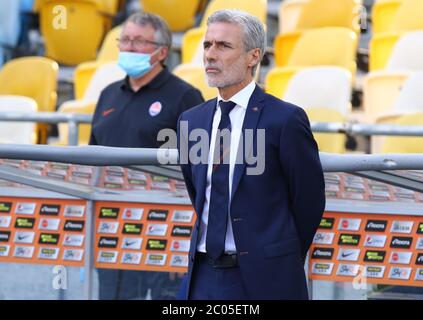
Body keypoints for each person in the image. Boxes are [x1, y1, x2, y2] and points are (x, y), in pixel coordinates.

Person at [177, 10, 326, 300]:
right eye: (207, 45)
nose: (210, 54)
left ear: (253, 57)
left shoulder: (285, 119)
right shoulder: (191, 121)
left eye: (224, 46)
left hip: (267, 278)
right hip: (203, 275)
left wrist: (277, 256)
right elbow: (198, 191)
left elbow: (309, 200)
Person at [89, 12, 204, 300]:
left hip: (162, 232)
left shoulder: (185, 97)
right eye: (124, 40)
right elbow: (92, 160)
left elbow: (201, 175)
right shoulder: (108, 95)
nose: (128, 47)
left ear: (161, 52)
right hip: (112, 230)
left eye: (139, 41)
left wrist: (183, 242)